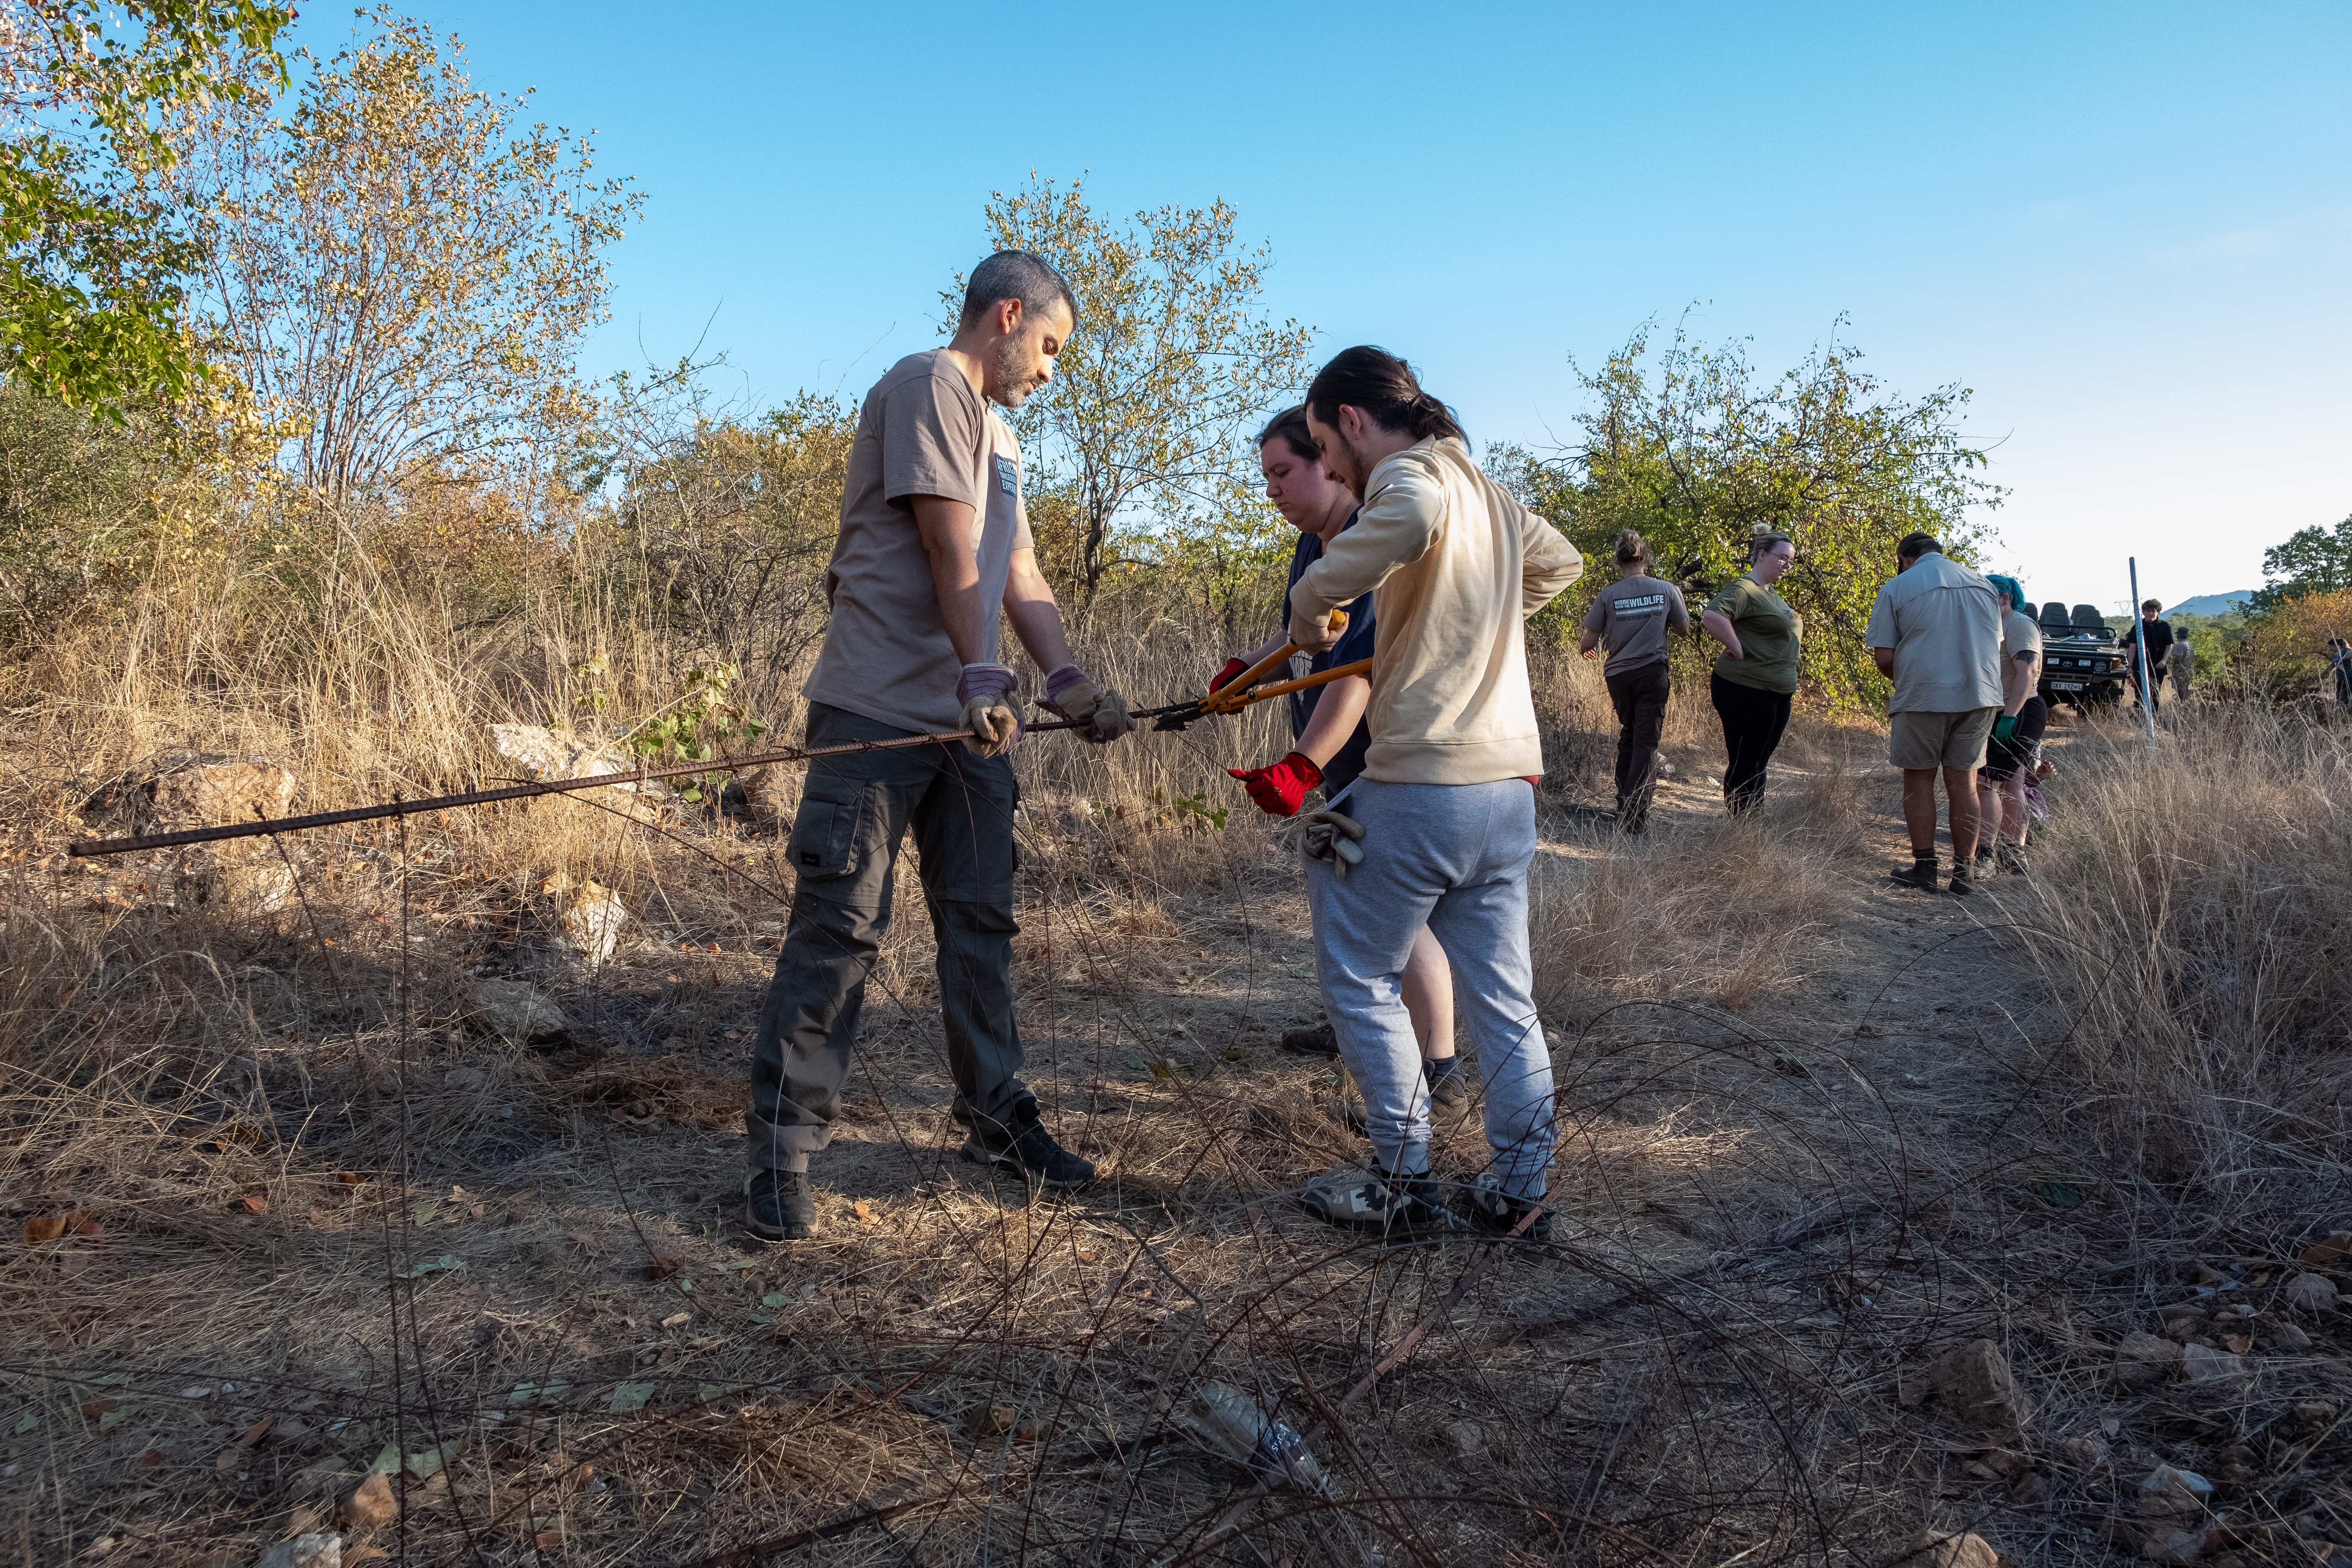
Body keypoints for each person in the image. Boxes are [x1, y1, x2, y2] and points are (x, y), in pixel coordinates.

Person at [742, 251, 1135, 1243]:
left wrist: (1066, 681)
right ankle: (783, 1150)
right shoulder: (928, 384)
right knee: (842, 926)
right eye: (1049, 346)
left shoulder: (999, 431)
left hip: (975, 722)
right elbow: (945, 546)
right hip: (881, 711)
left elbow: (1017, 568)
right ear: (1008, 315)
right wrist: (979, 680)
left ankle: (995, 1118)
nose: (1050, 370)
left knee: (980, 924)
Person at [1287, 346, 1583, 1240]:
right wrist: (1473, 616)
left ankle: (1402, 1184)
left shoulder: (1411, 477)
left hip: (1422, 784)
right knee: (1505, 999)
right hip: (1507, 793)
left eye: (1321, 447)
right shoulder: (1489, 492)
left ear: (1349, 419)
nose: (1330, 468)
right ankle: (1520, 1191)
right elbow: (1561, 562)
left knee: (1356, 973)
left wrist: (1314, 601)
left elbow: (1403, 516)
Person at [1217, 406, 1467, 1117]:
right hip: (1346, 769)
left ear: (1329, 462)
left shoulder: (1366, 542)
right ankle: (1348, 1023)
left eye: (1284, 471)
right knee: (1348, 899)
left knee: (1396, 911)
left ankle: (1441, 1072)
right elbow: (1306, 634)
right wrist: (1249, 672)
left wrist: (1301, 763)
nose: (1272, 489)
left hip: (1383, 764)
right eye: (1265, 476)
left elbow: (1353, 675)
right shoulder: (1315, 543)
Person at [1865, 532, 2004, 895]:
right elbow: (1996, 643)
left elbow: (1883, 657)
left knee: (1919, 779)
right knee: (1964, 782)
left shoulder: (1897, 586)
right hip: (1980, 695)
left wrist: (1913, 680)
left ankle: (1925, 868)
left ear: (1905, 558)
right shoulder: (1984, 585)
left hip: (1924, 695)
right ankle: (1965, 873)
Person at [1579, 529, 1689, 834]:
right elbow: (1684, 630)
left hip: (1619, 676)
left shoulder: (1608, 595)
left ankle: (1624, 805)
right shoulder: (1666, 590)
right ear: (1647, 557)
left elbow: (1587, 642)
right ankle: (1635, 816)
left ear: (1619, 560)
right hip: (1653, 672)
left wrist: (1592, 647)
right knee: (1646, 743)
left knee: (1630, 736)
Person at [1699, 530, 1802, 815]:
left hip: (1776, 690)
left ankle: (1752, 824)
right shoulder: (1745, 588)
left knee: (1760, 760)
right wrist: (1736, 646)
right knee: (1747, 759)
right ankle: (1743, 830)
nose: (1786, 566)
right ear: (1762, 555)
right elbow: (1712, 615)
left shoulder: (1771, 594)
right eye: (1782, 558)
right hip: (1746, 687)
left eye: (1791, 562)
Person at [1972, 574, 2044, 876]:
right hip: (2005, 710)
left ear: (2005, 599)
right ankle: (2013, 854)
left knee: (1986, 783)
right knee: (2012, 783)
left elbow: (2026, 673)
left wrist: (2010, 717)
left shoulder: (2019, 625)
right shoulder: (1996, 626)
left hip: (2018, 710)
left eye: (1989, 596)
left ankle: (1986, 856)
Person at [2117, 600, 2173, 717]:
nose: (2150, 613)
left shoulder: (2164, 626)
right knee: (2140, 692)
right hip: (2140, 666)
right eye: (2147, 611)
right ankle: (2141, 717)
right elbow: (2132, 647)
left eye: (2153, 611)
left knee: (2155, 693)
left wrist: (2164, 660)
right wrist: (2130, 666)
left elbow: (2169, 646)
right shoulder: (2137, 627)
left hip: (2158, 666)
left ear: (2158, 612)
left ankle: (2153, 719)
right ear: (2143, 612)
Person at [2165, 625, 2193, 704]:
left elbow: (2178, 659)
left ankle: (2182, 704)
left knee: (2180, 689)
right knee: (2185, 689)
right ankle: (2186, 704)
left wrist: (2171, 661)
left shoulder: (2180, 645)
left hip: (2180, 671)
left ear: (2178, 636)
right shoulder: (2190, 644)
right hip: (2188, 670)